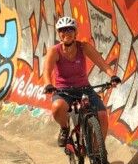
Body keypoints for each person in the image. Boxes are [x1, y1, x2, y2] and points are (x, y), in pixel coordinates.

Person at [43, 16, 121, 146]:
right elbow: (47, 71)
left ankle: (98, 152)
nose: (66, 33)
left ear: (75, 32)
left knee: (102, 116)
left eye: (70, 29)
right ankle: (64, 128)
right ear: (59, 34)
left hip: (84, 89)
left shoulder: (83, 47)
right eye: (62, 30)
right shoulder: (54, 51)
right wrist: (48, 84)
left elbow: (102, 63)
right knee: (57, 108)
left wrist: (113, 76)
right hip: (63, 91)